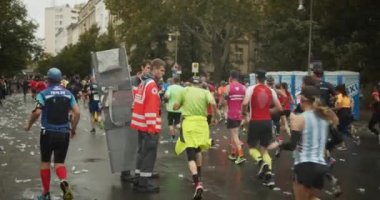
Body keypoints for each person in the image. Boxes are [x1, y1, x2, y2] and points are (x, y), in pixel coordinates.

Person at [268, 86, 339, 200]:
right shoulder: (325, 117)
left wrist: (279, 144)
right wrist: (325, 149)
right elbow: (338, 139)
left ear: (302, 100)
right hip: (321, 167)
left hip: (304, 166)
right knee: (311, 197)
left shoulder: (299, 118)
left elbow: (292, 146)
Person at [24, 68, 80, 200]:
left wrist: (29, 125)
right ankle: (63, 181)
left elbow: (37, 112)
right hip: (64, 133)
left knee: (45, 163)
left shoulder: (43, 94)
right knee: (59, 163)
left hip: (47, 133)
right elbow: (77, 112)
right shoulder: (68, 94)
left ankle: (46, 193)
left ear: (48, 79)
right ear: (60, 79)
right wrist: (73, 129)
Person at [173, 76, 218, 200]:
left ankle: (197, 182)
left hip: (189, 124)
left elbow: (175, 107)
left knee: (190, 153)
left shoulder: (185, 90)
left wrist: (179, 104)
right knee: (199, 150)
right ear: (200, 84)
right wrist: (215, 116)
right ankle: (200, 177)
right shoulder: (205, 92)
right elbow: (213, 103)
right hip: (202, 124)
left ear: (191, 83)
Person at [130, 58, 165, 193]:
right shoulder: (152, 86)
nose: (163, 73)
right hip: (148, 126)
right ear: (155, 69)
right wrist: (152, 128)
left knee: (142, 152)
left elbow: (138, 102)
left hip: (140, 124)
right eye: (161, 70)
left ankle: (138, 178)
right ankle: (144, 183)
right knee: (149, 154)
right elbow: (151, 109)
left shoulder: (143, 82)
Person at [242, 69, 282, 188]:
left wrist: (245, 114)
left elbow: (244, 103)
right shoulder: (271, 90)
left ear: (256, 78)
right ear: (265, 79)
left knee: (251, 147)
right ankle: (269, 175)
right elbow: (279, 108)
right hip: (267, 122)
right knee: (264, 149)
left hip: (255, 121)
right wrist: (269, 111)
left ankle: (261, 162)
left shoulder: (251, 88)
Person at [120, 60, 152, 182]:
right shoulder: (132, 81)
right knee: (130, 145)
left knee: (141, 146)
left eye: (150, 68)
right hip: (130, 117)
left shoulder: (148, 82)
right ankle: (125, 172)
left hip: (141, 118)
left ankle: (139, 171)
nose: (149, 70)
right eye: (148, 67)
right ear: (142, 67)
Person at [225, 70, 247, 165]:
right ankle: (233, 154)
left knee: (234, 135)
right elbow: (246, 101)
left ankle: (241, 155)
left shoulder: (228, 87)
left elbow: (224, 99)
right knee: (234, 133)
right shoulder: (243, 87)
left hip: (232, 114)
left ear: (230, 77)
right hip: (240, 114)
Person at [164, 76, 184, 142]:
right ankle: (182, 132)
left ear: (173, 81)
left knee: (170, 123)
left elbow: (167, 96)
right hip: (179, 108)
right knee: (177, 122)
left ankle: (172, 138)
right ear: (179, 81)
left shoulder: (170, 87)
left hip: (170, 108)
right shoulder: (182, 89)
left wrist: (165, 102)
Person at [334, 84, 354, 150]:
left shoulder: (340, 96)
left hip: (342, 113)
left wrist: (331, 109)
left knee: (341, 129)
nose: (335, 92)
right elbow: (350, 105)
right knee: (342, 128)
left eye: (336, 91)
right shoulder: (347, 96)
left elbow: (339, 107)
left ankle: (343, 145)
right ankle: (351, 136)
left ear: (339, 91)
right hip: (348, 113)